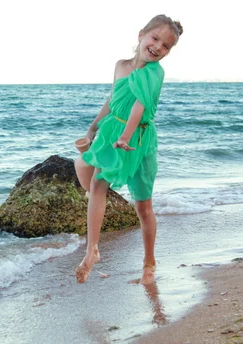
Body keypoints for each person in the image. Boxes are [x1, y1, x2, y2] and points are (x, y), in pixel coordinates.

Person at [75, 15, 183, 285]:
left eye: (166, 46)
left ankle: (149, 264)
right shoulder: (120, 66)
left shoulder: (154, 72)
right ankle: (92, 250)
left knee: (143, 206)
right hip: (113, 132)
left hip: (139, 139)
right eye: (155, 38)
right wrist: (93, 127)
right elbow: (113, 99)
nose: (158, 47)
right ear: (141, 35)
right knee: (98, 184)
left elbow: (139, 106)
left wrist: (126, 136)